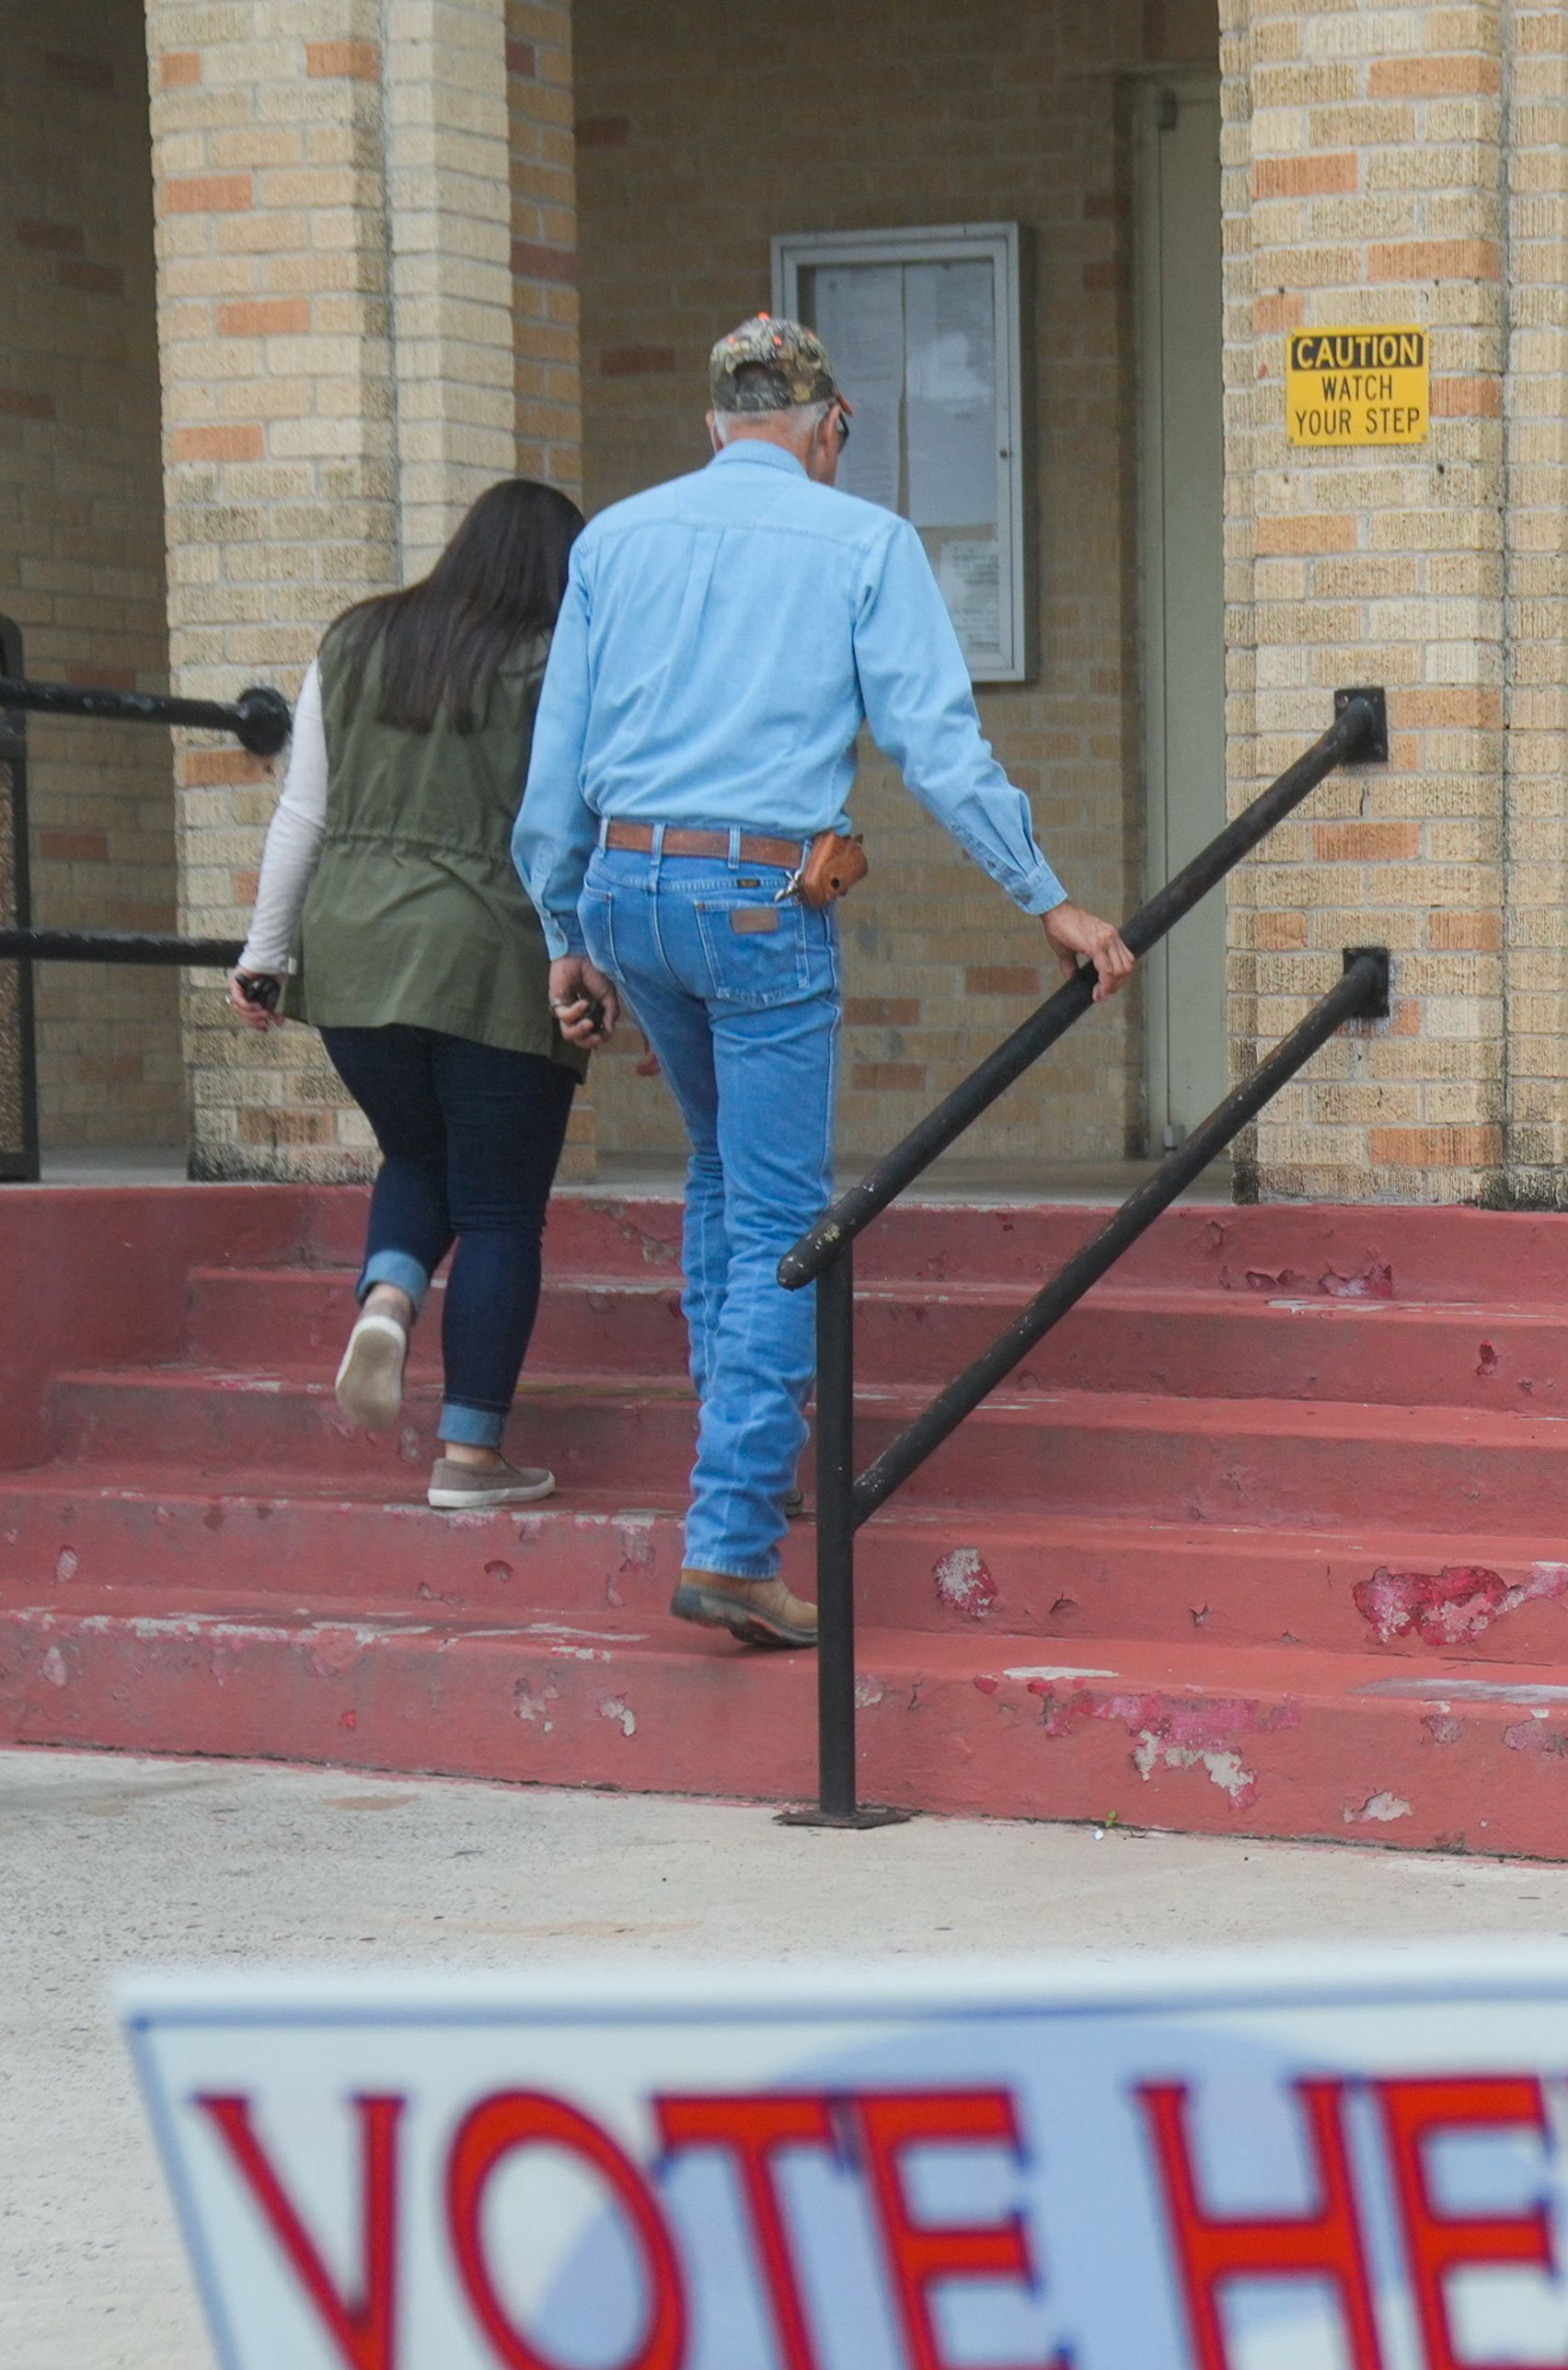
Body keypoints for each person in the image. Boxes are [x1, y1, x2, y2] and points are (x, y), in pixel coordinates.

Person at [513, 313, 1135, 1650]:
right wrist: (1049, 897)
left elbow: (555, 756)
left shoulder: (613, 540)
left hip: (627, 889)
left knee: (722, 1176)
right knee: (789, 1219)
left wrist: (562, 928)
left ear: (712, 425)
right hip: (760, 898)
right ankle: (734, 1537)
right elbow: (938, 746)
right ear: (829, 425)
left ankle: (742, 1451)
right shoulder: (863, 541)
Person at [235, 477, 593, 1511]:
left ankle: (389, 1297)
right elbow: (586, 826)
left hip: (349, 953)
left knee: (415, 1151)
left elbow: (302, 814)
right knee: (497, 1214)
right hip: (491, 955)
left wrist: (264, 954)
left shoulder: (357, 639)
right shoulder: (555, 661)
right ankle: (471, 1456)